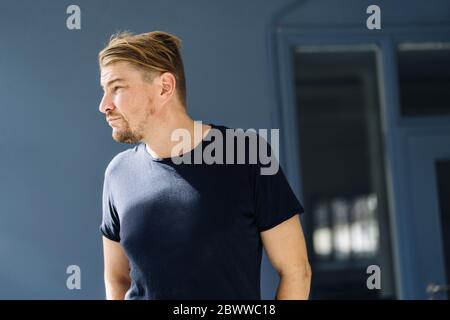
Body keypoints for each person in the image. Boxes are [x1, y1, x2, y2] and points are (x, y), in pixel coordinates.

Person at [98, 30, 311, 300]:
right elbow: (116, 279)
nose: (104, 105)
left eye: (116, 88)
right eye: (104, 90)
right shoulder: (118, 173)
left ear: (164, 87)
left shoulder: (247, 155)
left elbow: (296, 271)